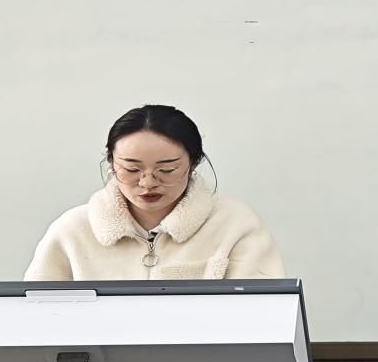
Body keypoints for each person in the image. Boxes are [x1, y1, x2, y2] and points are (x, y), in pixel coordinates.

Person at [26, 105, 284, 280]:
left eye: (167, 170)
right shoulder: (73, 230)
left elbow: (263, 316)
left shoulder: (235, 225)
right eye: (132, 169)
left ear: (193, 163)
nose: (148, 182)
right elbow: (37, 317)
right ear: (112, 164)